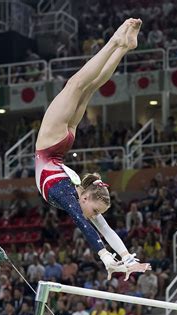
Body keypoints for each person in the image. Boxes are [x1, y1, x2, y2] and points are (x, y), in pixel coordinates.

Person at [34, 18, 150, 280]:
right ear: (86, 198)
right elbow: (84, 223)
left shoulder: (72, 197)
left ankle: (122, 46)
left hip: (56, 144)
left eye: (97, 212)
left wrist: (125, 259)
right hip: (52, 144)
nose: (96, 216)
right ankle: (117, 44)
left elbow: (103, 229)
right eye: (96, 211)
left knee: (84, 85)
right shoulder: (71, 196)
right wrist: (112, 257)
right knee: (78, 84)